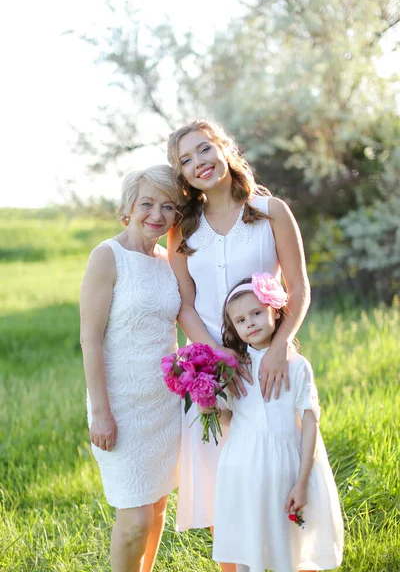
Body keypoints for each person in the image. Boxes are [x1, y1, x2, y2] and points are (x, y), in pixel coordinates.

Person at [167, 120, 311, 556]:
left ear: (224, 148)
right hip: (215, 376)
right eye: (186, 161)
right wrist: (217, 361)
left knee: (278, 473)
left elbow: (299, 288)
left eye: (203, 149)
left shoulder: (271, 212)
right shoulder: (183, 232)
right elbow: (185, 306)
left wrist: (280, 346)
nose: (199, 164)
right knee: (223, 491)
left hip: (269, 365)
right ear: (183, 177)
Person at [201, 273, 344, 572]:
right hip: (245, 470)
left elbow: (310, 426)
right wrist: (208, 407)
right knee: (250, 548)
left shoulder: (296, 366)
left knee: (291, 549)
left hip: (287, 470)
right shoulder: (233, 370)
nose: (249, 323)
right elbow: (229, 421)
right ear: (233, 328)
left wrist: (302, 481)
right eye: (240, 320)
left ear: (275, 311)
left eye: (256, 313)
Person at [80, 165, 182, 572]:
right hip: (121, 407)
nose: (157, 214)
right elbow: (90, 338)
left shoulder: (168, 261)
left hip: (164, 405)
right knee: (134, 519)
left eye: (168, 206)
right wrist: (101, 413)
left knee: (157, 506)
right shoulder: (107, 255)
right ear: (128, 207)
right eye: (147, 203)